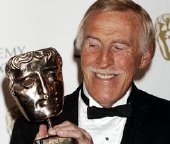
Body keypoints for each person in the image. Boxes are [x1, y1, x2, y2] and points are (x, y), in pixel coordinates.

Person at [9, 0, 170, 144]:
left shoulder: (165, 120)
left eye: (119, 47)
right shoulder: (30, 127)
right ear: (80, 49)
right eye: (93, 45)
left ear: (144, 57)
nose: (104, 61)